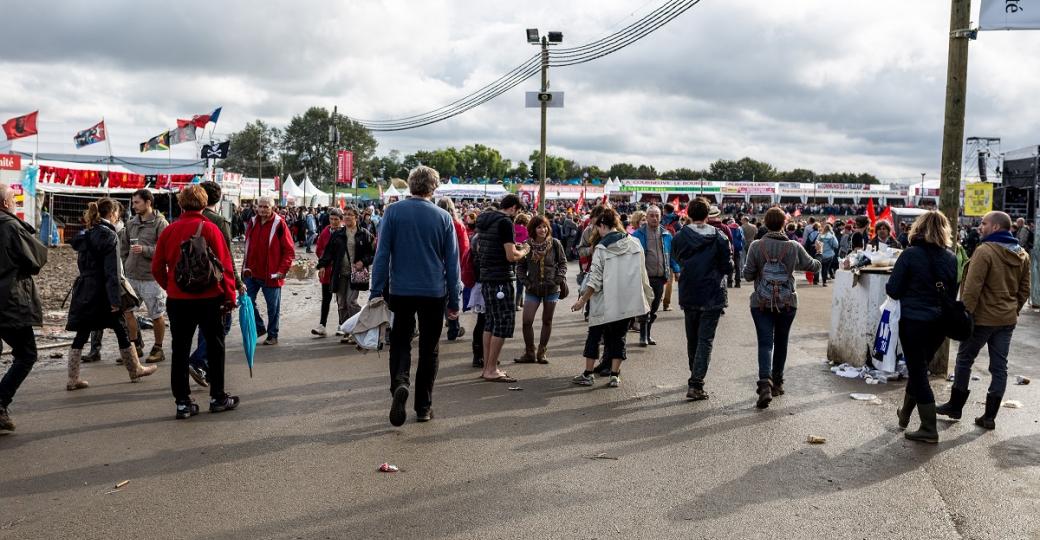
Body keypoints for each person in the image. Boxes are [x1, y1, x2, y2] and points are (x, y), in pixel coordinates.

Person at [370, 166, 460, 426]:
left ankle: (400, 382)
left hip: (400, 291)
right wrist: (454, 300)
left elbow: (382, 255)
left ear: (410, 185)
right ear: (434, 188)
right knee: (429, 350)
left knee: (399, 342)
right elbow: (452, 265)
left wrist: (376, 291)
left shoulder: (393, 212)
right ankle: (423, 406)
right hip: (433, 292)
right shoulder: (444, 217)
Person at [937, 211, 1031, 430]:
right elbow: (1024, 289)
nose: (980, 227)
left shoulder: (985, 251)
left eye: (984, 223)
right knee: (999, 367)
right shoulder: (1022, 254)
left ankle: (955, 406)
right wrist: (1012, 310)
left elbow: (972, 288)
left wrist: (965, 315)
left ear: (996, 227)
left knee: (964, 360)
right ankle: (989, 417)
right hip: (1006, 320)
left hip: (981, 319)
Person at [152, 185, 239, 419]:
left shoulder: (170, 230)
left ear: (180, 204)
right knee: (215, 346)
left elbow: (157, 267)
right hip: (210, 298)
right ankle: (218, 397)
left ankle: (182, 402)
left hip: (178, 300)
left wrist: (171, 286)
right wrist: (230, 296)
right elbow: (226, 266)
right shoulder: (210, 229)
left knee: (180, 349)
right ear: (204, 204)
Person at [65, 198, 158, 391]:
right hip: (103, 291)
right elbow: (113, 271)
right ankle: (135, 369)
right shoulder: (110, 235)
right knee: (120, 327)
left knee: (83, 332)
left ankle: (72, 379)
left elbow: (82, 263)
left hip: (86, 289)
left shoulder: (86, 234)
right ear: (112, 214)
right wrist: (115, 299)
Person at [885, 211, 958, 444]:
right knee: (919, 368)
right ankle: (905, 414)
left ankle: (928, 427)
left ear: (919, 228)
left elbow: (893, 289)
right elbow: (951, 292)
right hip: (939, 324)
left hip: (914, 321)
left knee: (918, 371)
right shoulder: (951, 257)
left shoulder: (910, 254)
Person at [742, 207, 821, 409]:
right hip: (787, 303)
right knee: (782, 342)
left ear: (766, 224)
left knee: (765, 343)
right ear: (784, 224)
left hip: (761, 302)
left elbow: (748, 275)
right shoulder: (794, 246)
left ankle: (764, 384)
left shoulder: (756, 246)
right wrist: (818, 254)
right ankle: (777, 383)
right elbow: (813, 266)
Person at [570, 208, 651, 388]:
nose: (597, 231)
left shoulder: (601, 248)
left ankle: (588, 374)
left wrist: (583, 300)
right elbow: (642, 273)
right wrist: (647, 296)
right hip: (626, 300)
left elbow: (595, 278)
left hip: (603, 301)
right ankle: (615, 375)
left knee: (594, 336)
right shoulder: (635, 243)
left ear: (604, 225)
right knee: (619, 337)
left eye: (598, 227)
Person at [672, 198, 732, 400]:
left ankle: (694, 374)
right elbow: (727, 266)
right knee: (705, 340)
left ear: (688, 213)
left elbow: (677, 257)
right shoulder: (720, 237)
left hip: (689, 290)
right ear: (709, 215)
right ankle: (696, 382)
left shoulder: (680, 236)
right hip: (713, 292)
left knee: (693, 337)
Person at [0, 183, 48, 432]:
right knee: (27, 354)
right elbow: (38, 257)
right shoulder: (10, 226)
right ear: (6, 204)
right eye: (14, 200)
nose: (17, 204)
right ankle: (0, 402)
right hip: (9, 300)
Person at [187, 182, 245, 387]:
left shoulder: (182, 221)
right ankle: (199, 360)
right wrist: (237, 284)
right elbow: (226, 258)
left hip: (188, 284)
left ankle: (205, 368)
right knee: (222, 325)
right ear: (218, 198)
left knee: (204, 327)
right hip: (215, 283)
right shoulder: (219, 222)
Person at [475, 194, 530, 383]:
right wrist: (524, 251)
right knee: (503, 321)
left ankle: (487, 366)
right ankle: (491, 368)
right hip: (501, 278)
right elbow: (510, 256)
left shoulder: (485, 219)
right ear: (514, 207)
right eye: (519, 211)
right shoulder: (505, 222)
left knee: (490, 321)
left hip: (487, 277)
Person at [119, 188, 169, 364]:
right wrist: (125, 264)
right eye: (133, 202)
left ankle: (158, 348)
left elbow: (166, 250)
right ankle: (135, 347)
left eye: (137, 202)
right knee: (128, 312)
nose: (134, 206)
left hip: (151, 277)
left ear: (148, 202)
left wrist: (145, 250)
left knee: (156, 314)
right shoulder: (131, 223)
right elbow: (123, 246)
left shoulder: (160, 224)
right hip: (132, 276)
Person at [316, 205, 375, 344]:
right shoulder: (338, 234)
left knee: (351, 302)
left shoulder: (364, 234)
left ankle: (357, 329)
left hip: (356, 273)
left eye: (350, 214)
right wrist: (322, 265)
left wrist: (363, 261)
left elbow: (372, 253)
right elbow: (328, 252)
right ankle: (347, 330)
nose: (347, 217)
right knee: (341, 304)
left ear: (356, 217)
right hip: (339, 274)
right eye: (346, 214)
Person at [242, 196, 295, 345]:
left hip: (271, 274)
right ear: (256, 207)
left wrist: (281, 270)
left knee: (273, 308)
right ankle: (259, 328)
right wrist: (243, 268)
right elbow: (247, 246)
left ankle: (273, 335)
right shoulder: (252, 222)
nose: (263, 209)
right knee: (247, 301)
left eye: (266, 207)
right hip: (251, 273)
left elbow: (289, 251)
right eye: (261, 206)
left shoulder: (279, 224)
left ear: (273, 208)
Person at [515, 215, 567, 364]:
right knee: (527, 321)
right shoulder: (527, 245)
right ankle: (529, 352)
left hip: (552, 289)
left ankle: (542, 352)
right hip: (533, 289)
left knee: (547, 321)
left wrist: (557, 279)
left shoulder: (555, 243)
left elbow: (563, 264)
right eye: (539, 227)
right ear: (533, 229)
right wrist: (527, 283)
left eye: (545, 226)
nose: (542, 229)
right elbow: (520, 268)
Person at [631, 205, 680, 347]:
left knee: (654, 307)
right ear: (646, 217)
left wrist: (676, 269)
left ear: (661, 217)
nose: (654, 218)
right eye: (651, 215)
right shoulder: (636, 235)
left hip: (660, 277)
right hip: (644, 277)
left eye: (657, 215)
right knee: (644, 307)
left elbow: (672, 255)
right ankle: (642, 336)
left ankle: (648, 333)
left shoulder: (666, 235)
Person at [437, 197, 470, 341]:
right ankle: (453, 327)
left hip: (437, 265)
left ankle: (445, 326)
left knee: (440, 297)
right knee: (453, 296)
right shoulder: (458, 224)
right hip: (454, 264)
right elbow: (464, 248)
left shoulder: (435, 223)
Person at [312, 207, 344, 337]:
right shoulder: (325, 231)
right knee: (326, 298)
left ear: (341, 220)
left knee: (341, 299)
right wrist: (323, 264)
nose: (333, 221)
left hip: (340, 270)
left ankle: (342, 324)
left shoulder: (344, 232)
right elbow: (319, 249)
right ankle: (322, 325)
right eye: (331, 219)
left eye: (336, 219)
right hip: (326, 270)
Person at [513, 212, 531, 310]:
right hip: (524, 256)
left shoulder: (512, 228)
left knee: (518, 280)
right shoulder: (526, 229)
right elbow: (528, 242)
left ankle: (519, 302)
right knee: (522, 279)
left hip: (513, 255)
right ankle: (518, 303)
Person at [726, 217, 745, 288]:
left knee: (730, 264)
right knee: (738, 266)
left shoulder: (727, 228)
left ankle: (729, 282)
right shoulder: (739, 228)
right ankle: (738, 282)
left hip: (730, 248)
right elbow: (742, 239)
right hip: (738, 249)